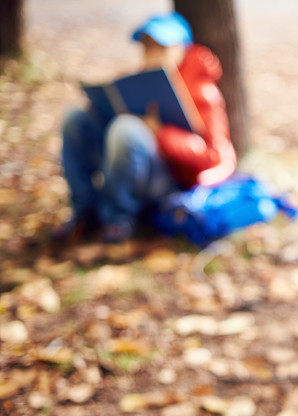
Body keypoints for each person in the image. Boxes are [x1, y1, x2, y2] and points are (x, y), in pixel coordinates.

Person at [55, 12, 236, 243]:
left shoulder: (203, 92)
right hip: (131, 166)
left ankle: (116, 220)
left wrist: (160, 133)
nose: (152, 54)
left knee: (126, 128)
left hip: (170, 181)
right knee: (74, 118)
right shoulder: (138, 82)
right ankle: (84, 212)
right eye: (147, 47)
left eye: (161, 47)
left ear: (182, 49)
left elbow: (212, 156)